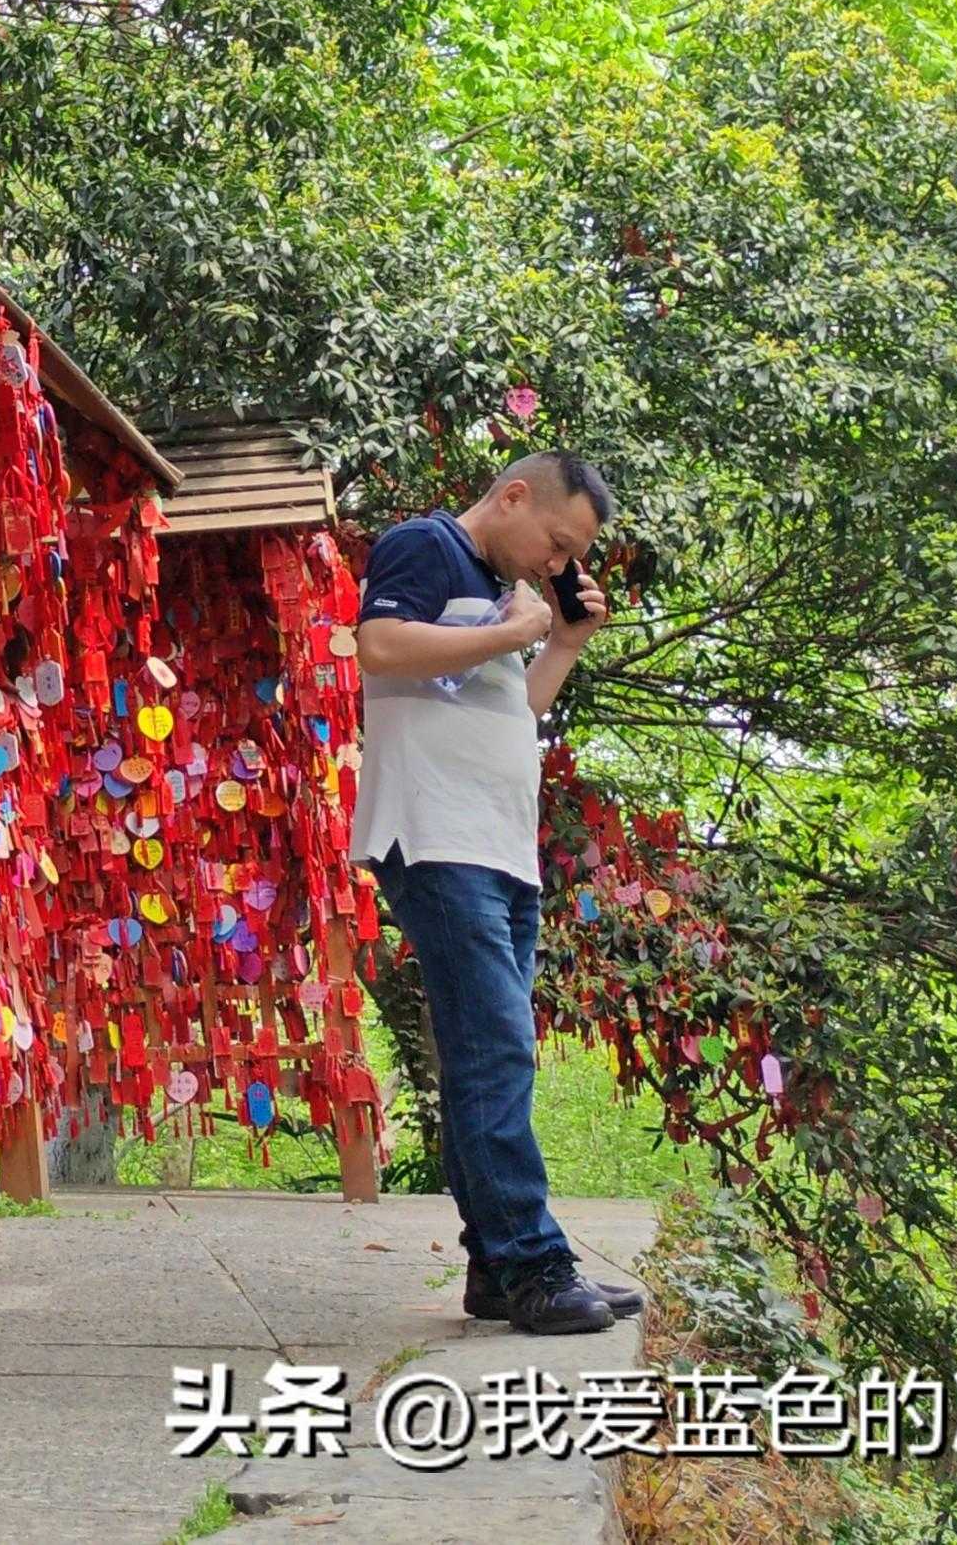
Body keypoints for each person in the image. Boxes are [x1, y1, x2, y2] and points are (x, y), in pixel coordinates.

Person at [355, 451, 644, 1334]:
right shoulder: (426, 546)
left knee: (491, 1053)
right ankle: (532, 1263)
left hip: (497, 849)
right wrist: (514, 631)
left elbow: (510, 714)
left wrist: (558, 641)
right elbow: (378, 645)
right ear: (513, 497)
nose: (556, 565)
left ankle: (495, 1266)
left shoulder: (508, 600)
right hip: (434, 839)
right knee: (495, 1050)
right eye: (555, 543)